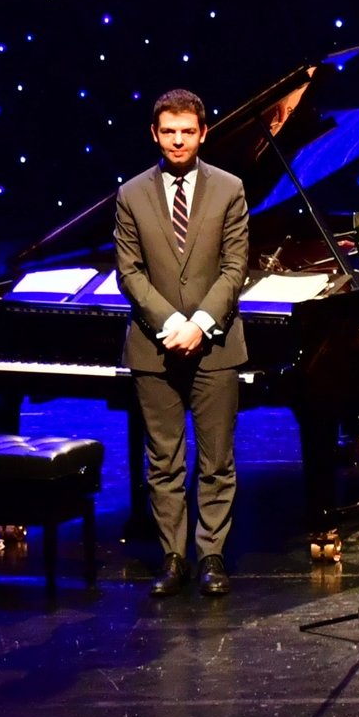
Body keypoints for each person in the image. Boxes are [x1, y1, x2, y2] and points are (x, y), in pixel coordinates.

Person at [117, 89, 251, 599]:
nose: (178, 140)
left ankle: (211, 554)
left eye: (187, 131)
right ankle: (173, 556)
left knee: (216, 457)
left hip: (215, 345)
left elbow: (235, 267)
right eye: (168, 131)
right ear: (155, 133)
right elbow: (129, 271)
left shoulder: (230, 189)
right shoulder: (131, 194)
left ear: (202, 133)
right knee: (163, 459)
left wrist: (199, 322)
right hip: (155, 346)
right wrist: (171, 321)